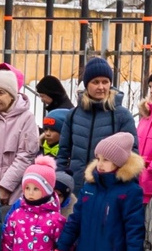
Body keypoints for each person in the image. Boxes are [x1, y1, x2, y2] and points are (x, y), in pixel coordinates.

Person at [55, 57, 131, 196]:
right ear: (86, 84)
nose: (101, 87)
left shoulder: (122, 116)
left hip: (107, 190)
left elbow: (131, 156)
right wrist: (61, 180)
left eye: (105, 82)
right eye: (95, 82)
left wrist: (119, 186)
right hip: (75, 189)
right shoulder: (73, 115)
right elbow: (63, 153)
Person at [0, 69, 44, 206]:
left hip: (16, 190)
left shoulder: (27, 118)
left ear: (12, 95)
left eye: (0, 93)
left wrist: (5, 187)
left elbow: (26, 156)